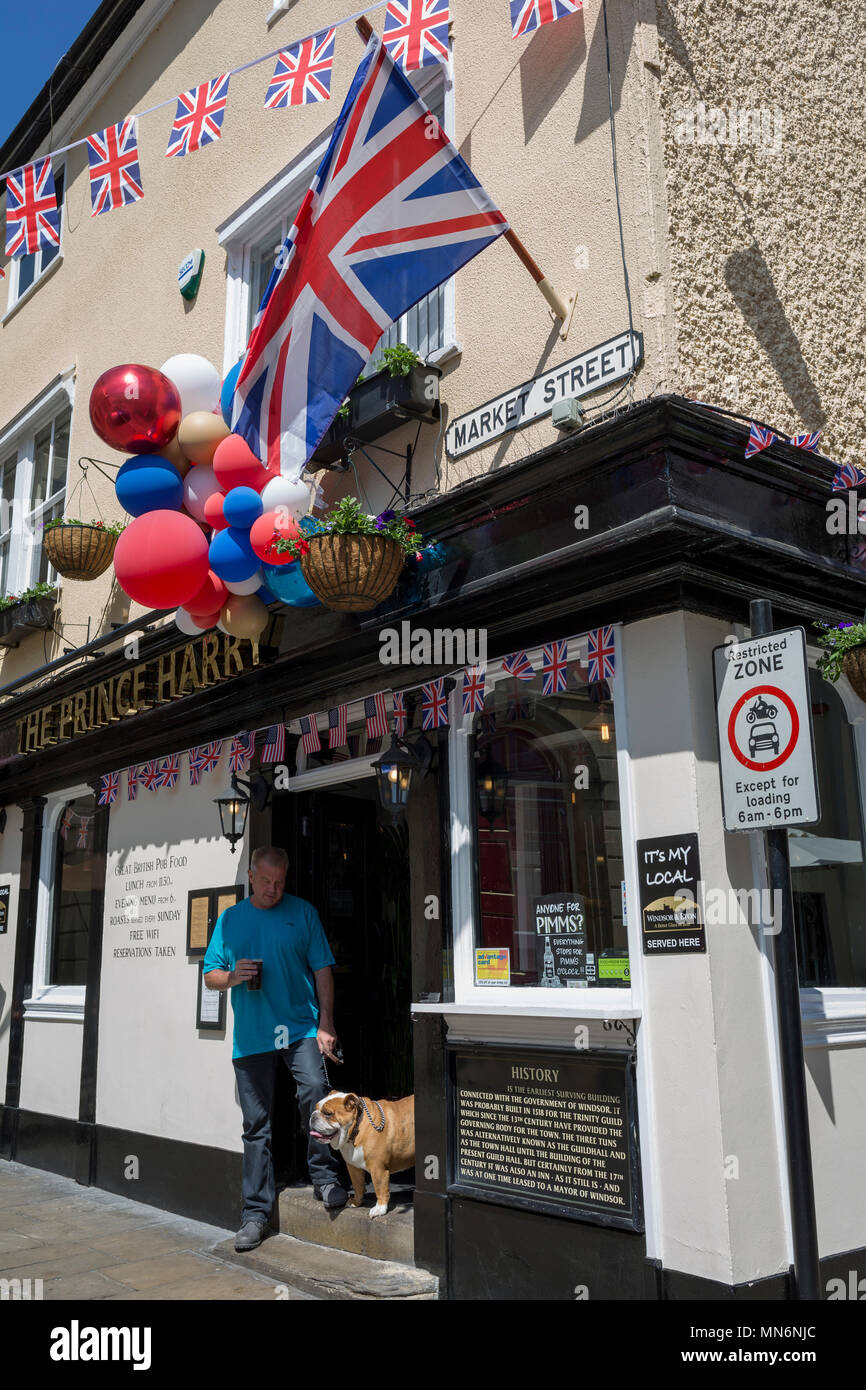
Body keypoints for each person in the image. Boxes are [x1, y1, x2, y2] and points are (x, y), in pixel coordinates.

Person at [203, 845, 348, 1252]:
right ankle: (255, 1214)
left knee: (317, 1097)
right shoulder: (231, 920)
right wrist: (232, 976)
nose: (273, 889)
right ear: (251, 876)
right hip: (252, 1035)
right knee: (256, 1124)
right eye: (266, 881)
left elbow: (323, 969)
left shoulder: (302, 913)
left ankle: (325, 1179)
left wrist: (326, 1023)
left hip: (301, 1028)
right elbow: (210, 976)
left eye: (280, 882)